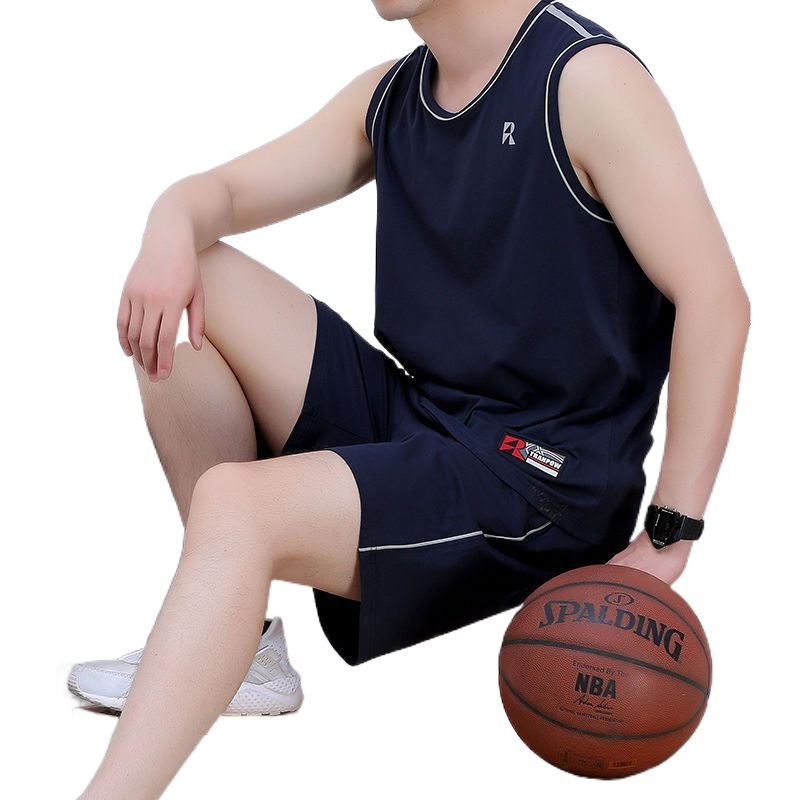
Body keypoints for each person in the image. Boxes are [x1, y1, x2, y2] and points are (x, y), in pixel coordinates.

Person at [72, 1, 750, 797]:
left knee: (236, 502)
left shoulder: (586, 81)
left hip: (541, 479)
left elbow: (716, 299)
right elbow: (218, 193)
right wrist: (168, 222)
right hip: (428, 420)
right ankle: (236, 646)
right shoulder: (391, 95)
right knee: (191, 288)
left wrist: (670, 532)